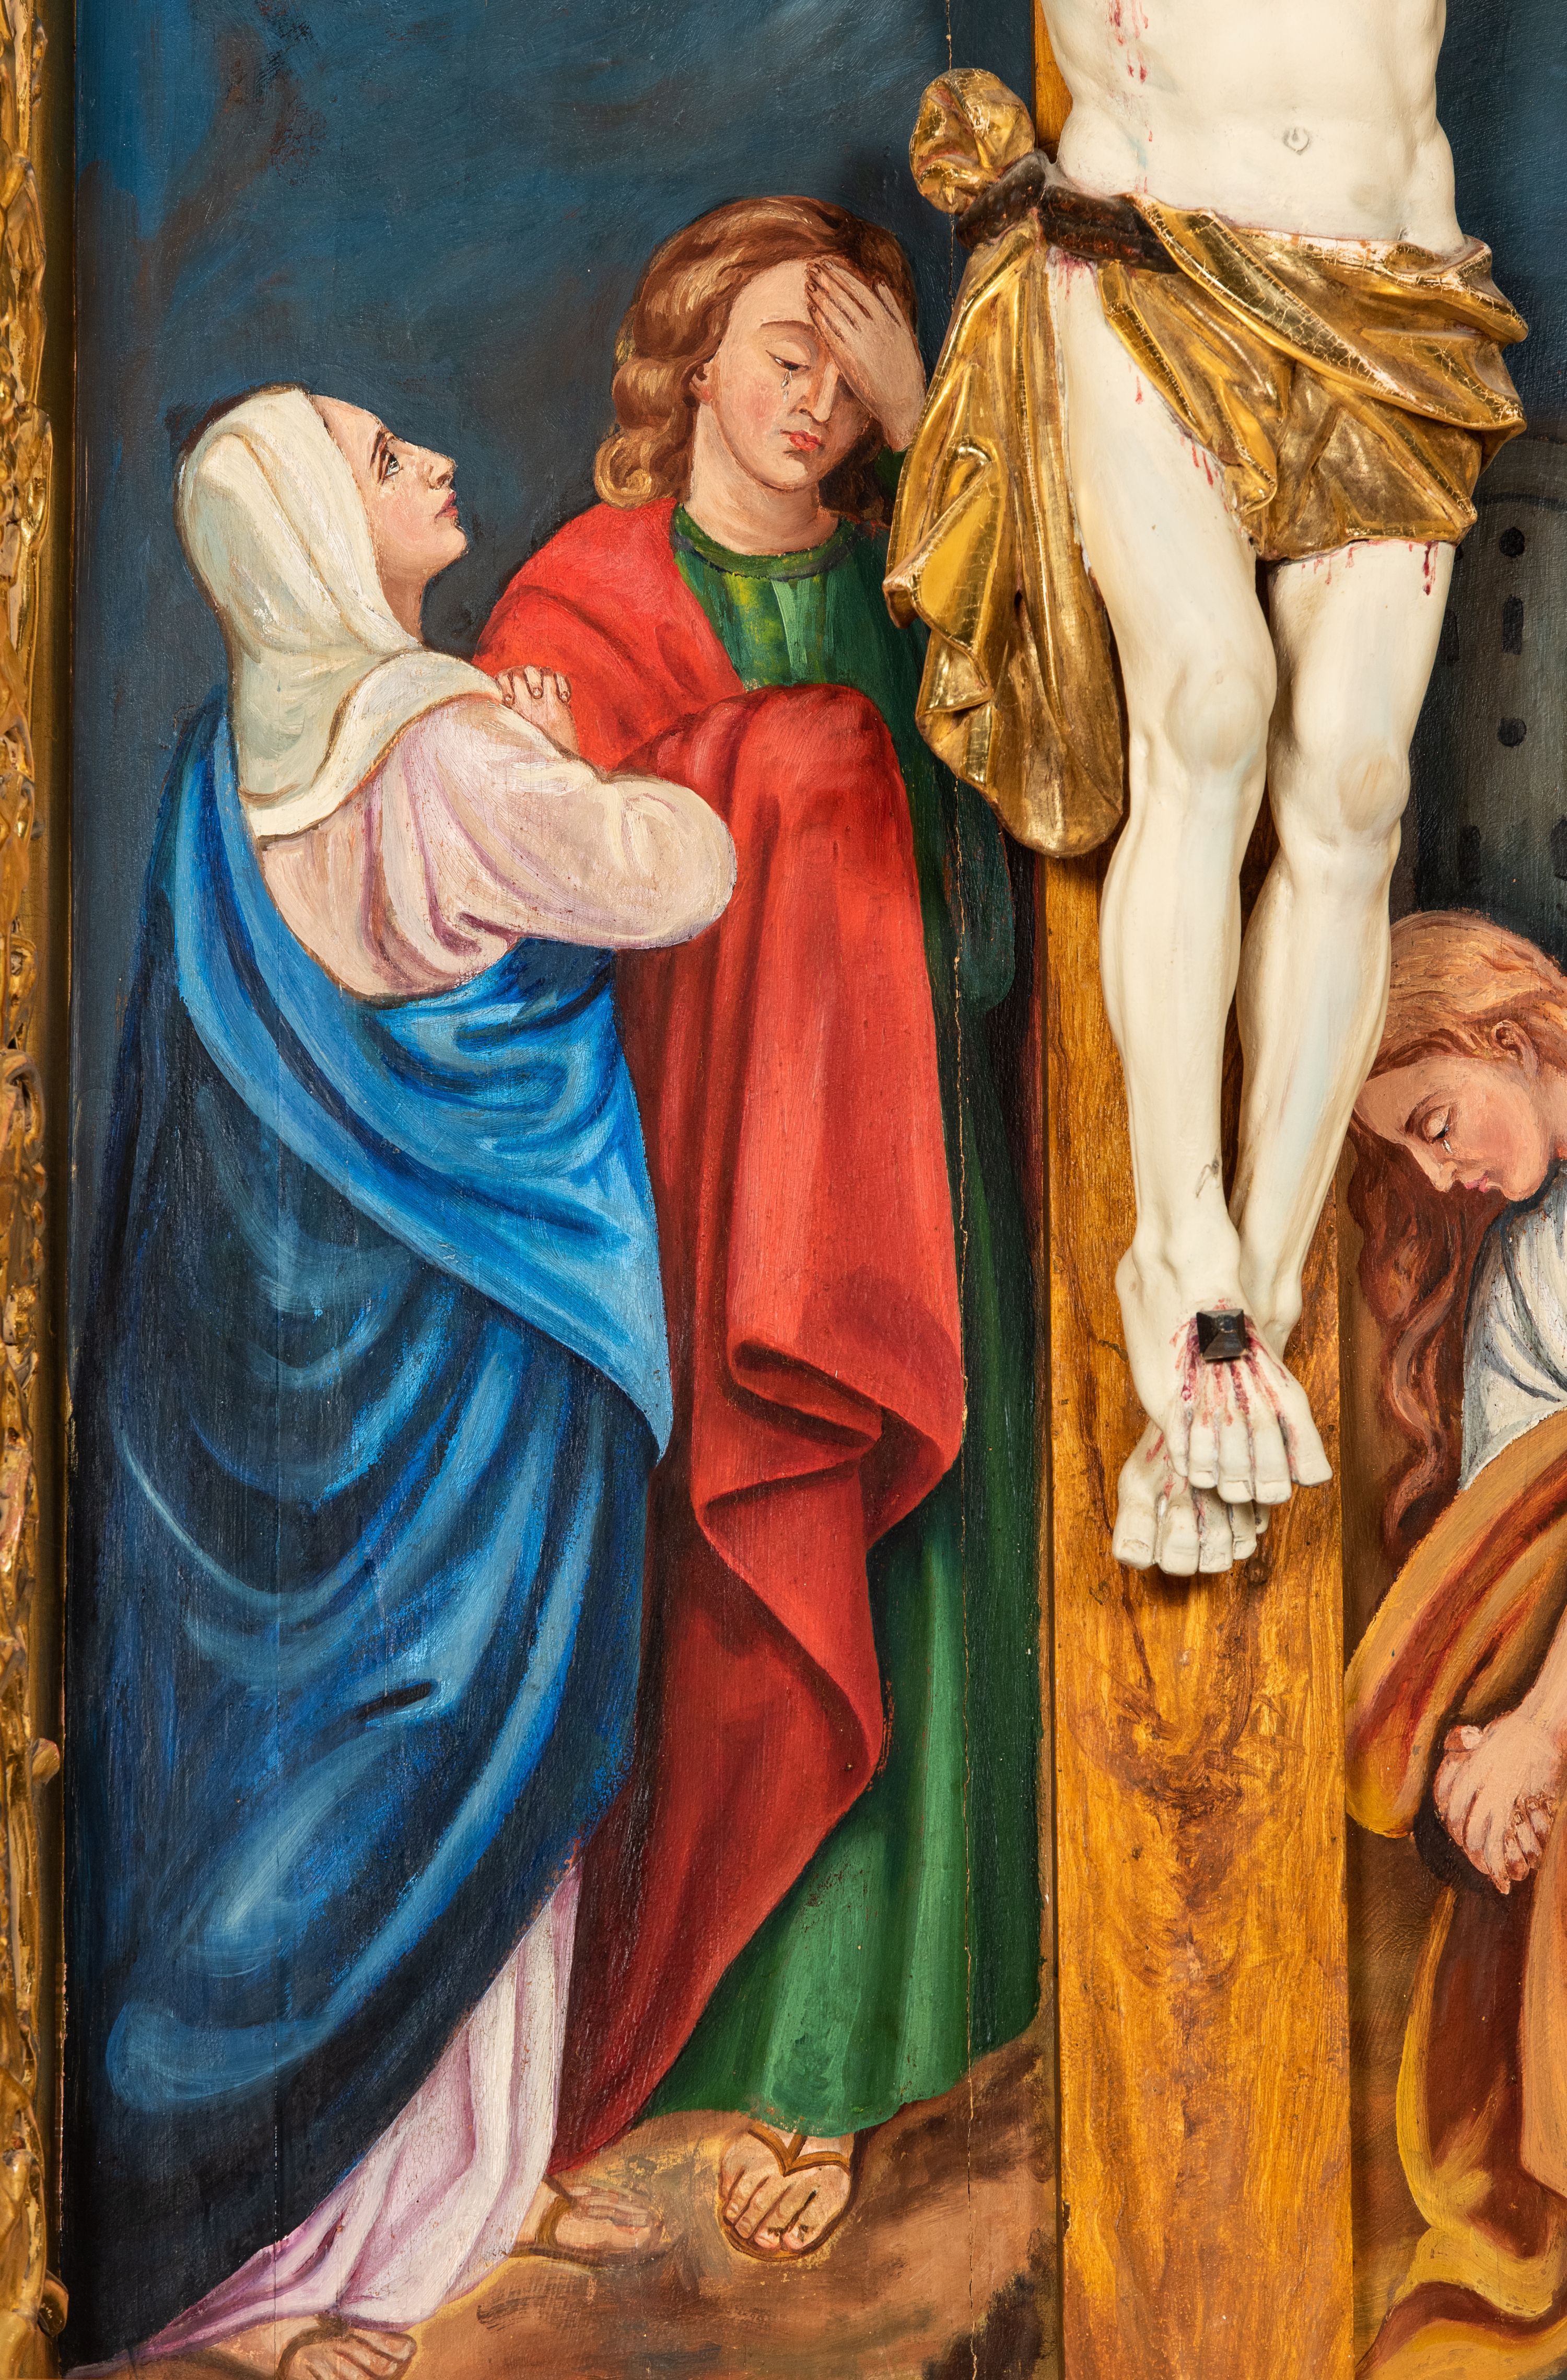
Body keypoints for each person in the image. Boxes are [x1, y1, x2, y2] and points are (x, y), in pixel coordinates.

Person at [63, 386, 733, 2371]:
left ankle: (453, 2190)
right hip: (479, 1367)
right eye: (376, 459)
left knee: (358, 1782)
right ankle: (325, 2260)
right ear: (314, 536)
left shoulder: (221, 774)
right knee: (479, 1760)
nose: (430, 461)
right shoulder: (438, 742)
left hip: (306, 1386)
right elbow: (676, 871)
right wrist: (570, 756)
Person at [475, 196, 1042, 2259]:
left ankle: (841, 2067)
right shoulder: (585, 598)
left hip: (904, 1200)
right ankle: (654, 2053)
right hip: (682, 1196)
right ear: (694, 357)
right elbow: (507, 924)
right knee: (700, 1624)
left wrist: (865, 786)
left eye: (851, 372)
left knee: (912, 1592)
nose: (814, 399)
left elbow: (998, 914)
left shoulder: (919, 601)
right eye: (782, 351)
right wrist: (759, 786)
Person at [889, 30, 1528, 1568]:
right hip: (1150, 262)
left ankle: (1264, 1308)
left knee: (1358, 786)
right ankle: (1179, 1256)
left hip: (1394, 293)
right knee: (1210, 706)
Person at [1346, 909, 1567, 2372]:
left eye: (1435, 1123)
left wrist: (1539, 1730)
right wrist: (1485, 1742)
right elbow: (1512, 1543)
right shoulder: (1529, 1263)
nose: (1440, 1176)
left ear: (1503, 1034)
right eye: (1413, 1158)